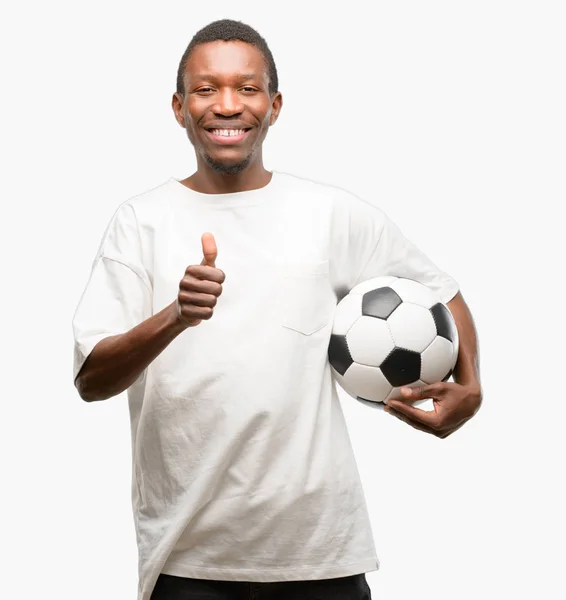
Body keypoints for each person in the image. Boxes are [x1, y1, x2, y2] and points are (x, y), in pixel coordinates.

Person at [72, 18, 482, 600]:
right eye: (206, 88)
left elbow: (439, 291)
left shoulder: (330, 213)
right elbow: (91, 379)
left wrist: (471, 385)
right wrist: (175, 317)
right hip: (189, 564)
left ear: (275, 104)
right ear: (179, 106)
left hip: (321, 557)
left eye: (247, 87)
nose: (227, 105)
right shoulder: (140, 222)